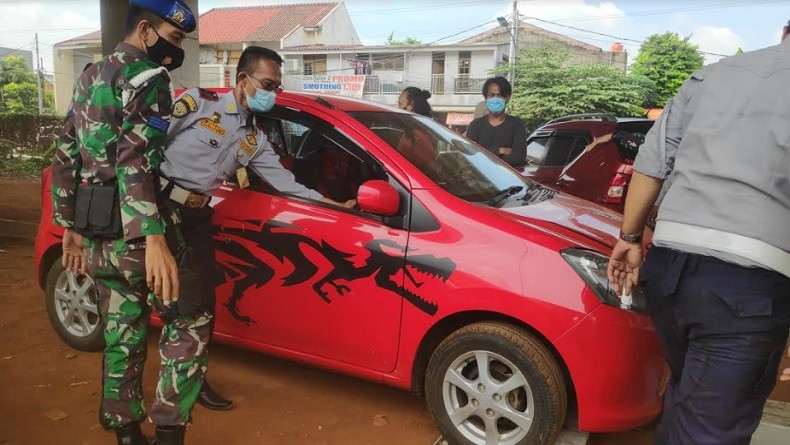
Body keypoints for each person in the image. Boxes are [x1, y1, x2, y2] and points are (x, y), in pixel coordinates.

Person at [606, 21, 790, 445]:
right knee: (709, 428)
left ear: (782, 32)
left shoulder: (715, 74)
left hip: (670, 270)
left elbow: (652, 163)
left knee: (686, 397)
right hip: (748, 288)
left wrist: (629, 239)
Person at [159, 47, 355, 409]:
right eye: (268, 84)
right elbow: (148, 148)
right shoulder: (198, 104)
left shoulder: (254, 138)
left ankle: (190, 380)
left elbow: (287, 184)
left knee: (199, 303)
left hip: (197, 218)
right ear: (243, 80)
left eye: (277, 87)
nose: (273, 93)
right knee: (148, 299)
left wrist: (334, 206)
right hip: (159, 208)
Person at [50, 1, 201, 444]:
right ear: (144, 30)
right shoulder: (150, 80)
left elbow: (66, 153)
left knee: (122, 329)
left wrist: (69, 225)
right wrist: (153, 238)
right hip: (139, 237)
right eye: (173, 38)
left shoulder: (89, 75)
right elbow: (136, 161)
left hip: (96, 233)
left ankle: (126, 432)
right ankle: (170, 432)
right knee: (189, 320)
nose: (176, 50)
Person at [465, 76, 527, 167]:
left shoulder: (517, 124)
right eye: (491, 95)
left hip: (507, 178)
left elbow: (518, 157)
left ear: (507, 98)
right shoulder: (475, 125)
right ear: (486, 98)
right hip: (480, 178)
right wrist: (500, 151)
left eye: (499, 95)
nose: (495, 99)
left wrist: (483, 154)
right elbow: (470, 155)